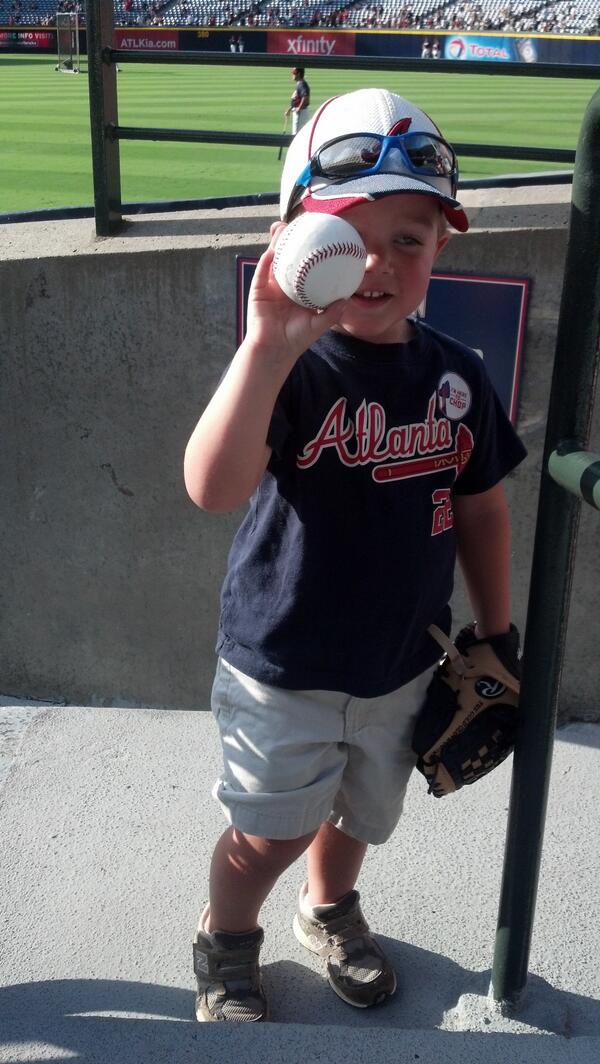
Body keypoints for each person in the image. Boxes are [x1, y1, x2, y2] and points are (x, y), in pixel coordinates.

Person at [184, 87, 526, 1023]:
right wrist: (264, 346)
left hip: (403, 659)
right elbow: (211, 488)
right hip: (282, 664)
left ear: (441, 248)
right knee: (265, 832)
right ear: (298, 238)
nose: (377, 265)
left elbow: (482, 508)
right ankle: (227, 935)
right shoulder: (288, 364)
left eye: (408, 239)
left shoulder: (458, 373)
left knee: (358, 814)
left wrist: (495, 632)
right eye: (350, 238)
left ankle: (329, 908)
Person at [285, 66, 310, 135]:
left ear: (298, 74)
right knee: (297, 134)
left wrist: (299, 108)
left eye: (293, 73)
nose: (292, 75)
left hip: (300, 112)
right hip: (299, 111)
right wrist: (289, 109)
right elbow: (296, 99)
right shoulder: (300, 83)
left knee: (296, 135)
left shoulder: (302, 84)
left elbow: (305, 96)